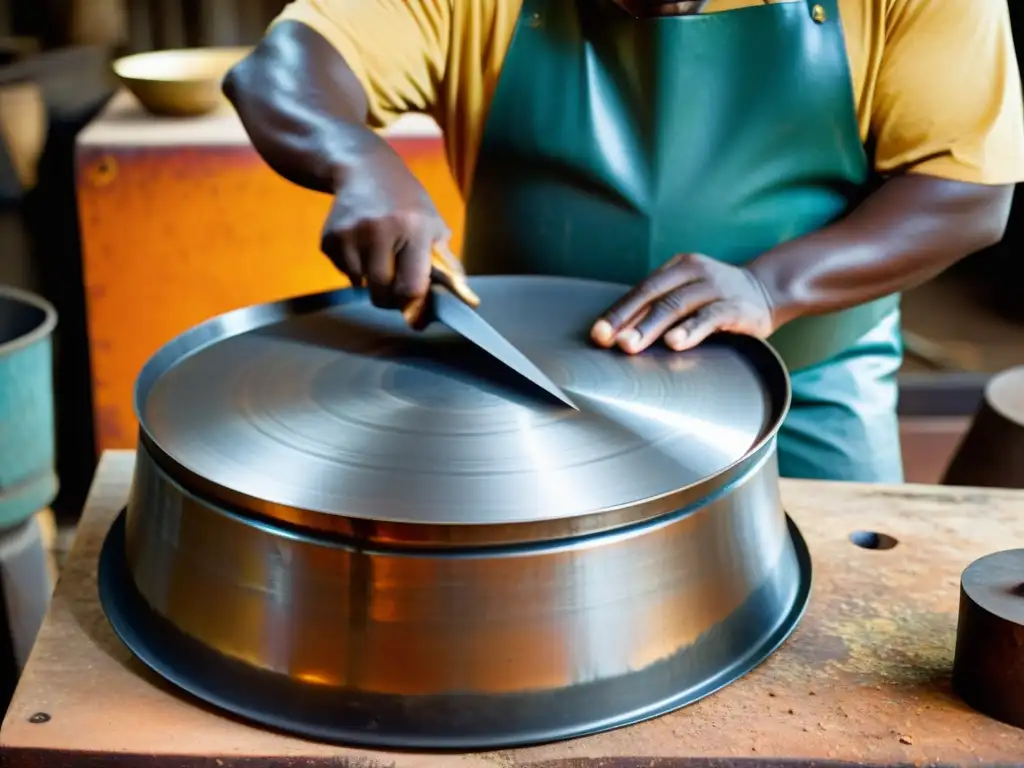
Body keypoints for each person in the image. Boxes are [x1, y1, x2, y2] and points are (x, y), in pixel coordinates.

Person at [223, 0, 1024, 483]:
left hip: (807, 389)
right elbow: (282, 68)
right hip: (521, 388)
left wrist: (772, 288)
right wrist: (358, 159)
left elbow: (967, 193)